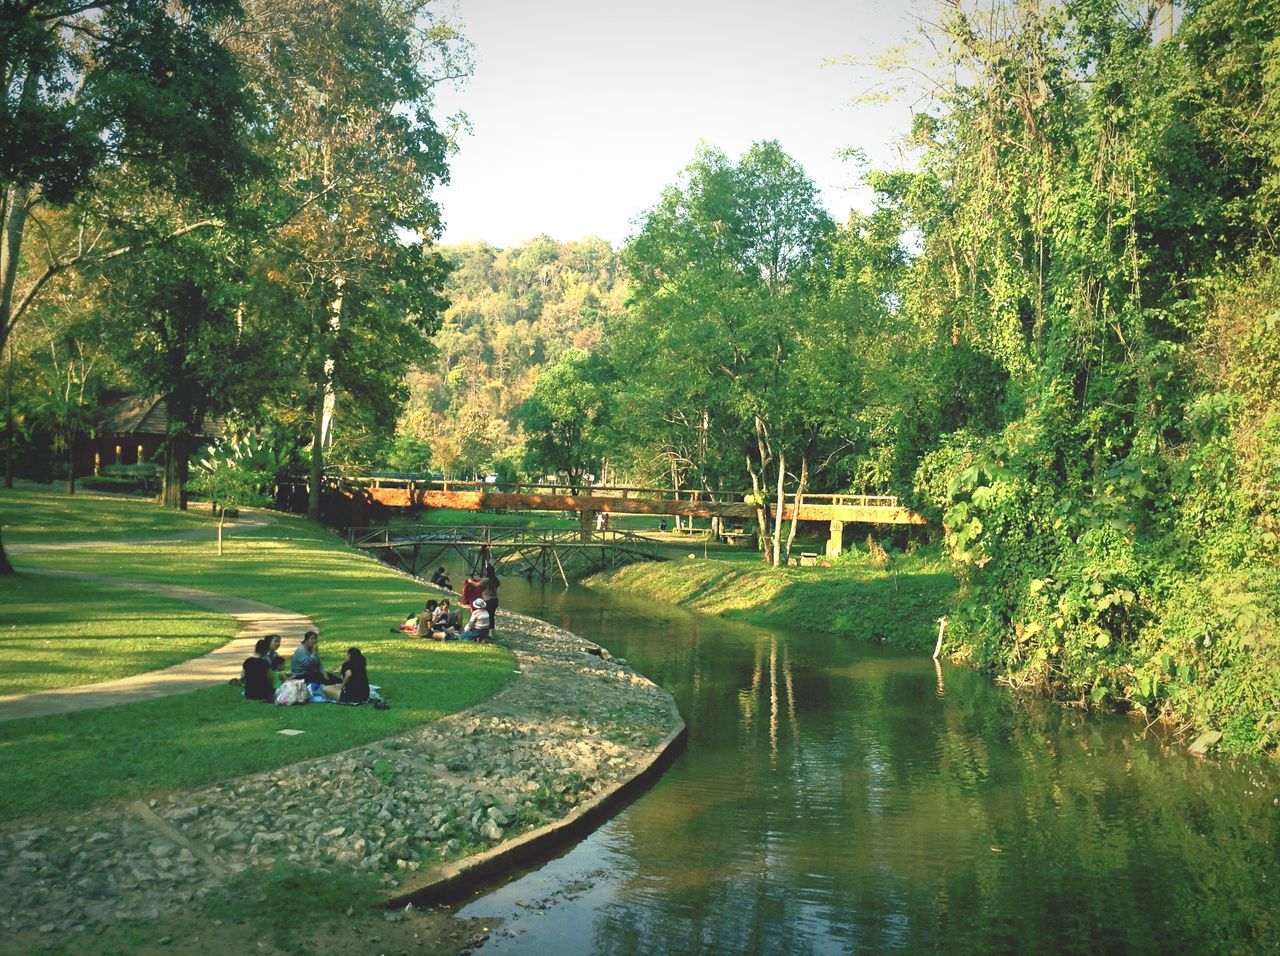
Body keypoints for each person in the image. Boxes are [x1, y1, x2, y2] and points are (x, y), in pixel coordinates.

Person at [241, 637, 275, 702]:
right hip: (264, 693)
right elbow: (270, 678)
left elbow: (242, 676)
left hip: (249, 693)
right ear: (265, 650)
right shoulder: (265, 663)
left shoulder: (247, 661)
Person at [483, 561, 501, 635]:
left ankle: (486, 632)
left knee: (486, 616)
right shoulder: (496, 580)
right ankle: (492, 632)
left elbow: (477, 584)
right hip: (495, 600)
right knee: (492, 616)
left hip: (488, 600)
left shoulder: (486, 580)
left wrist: (470, 581)